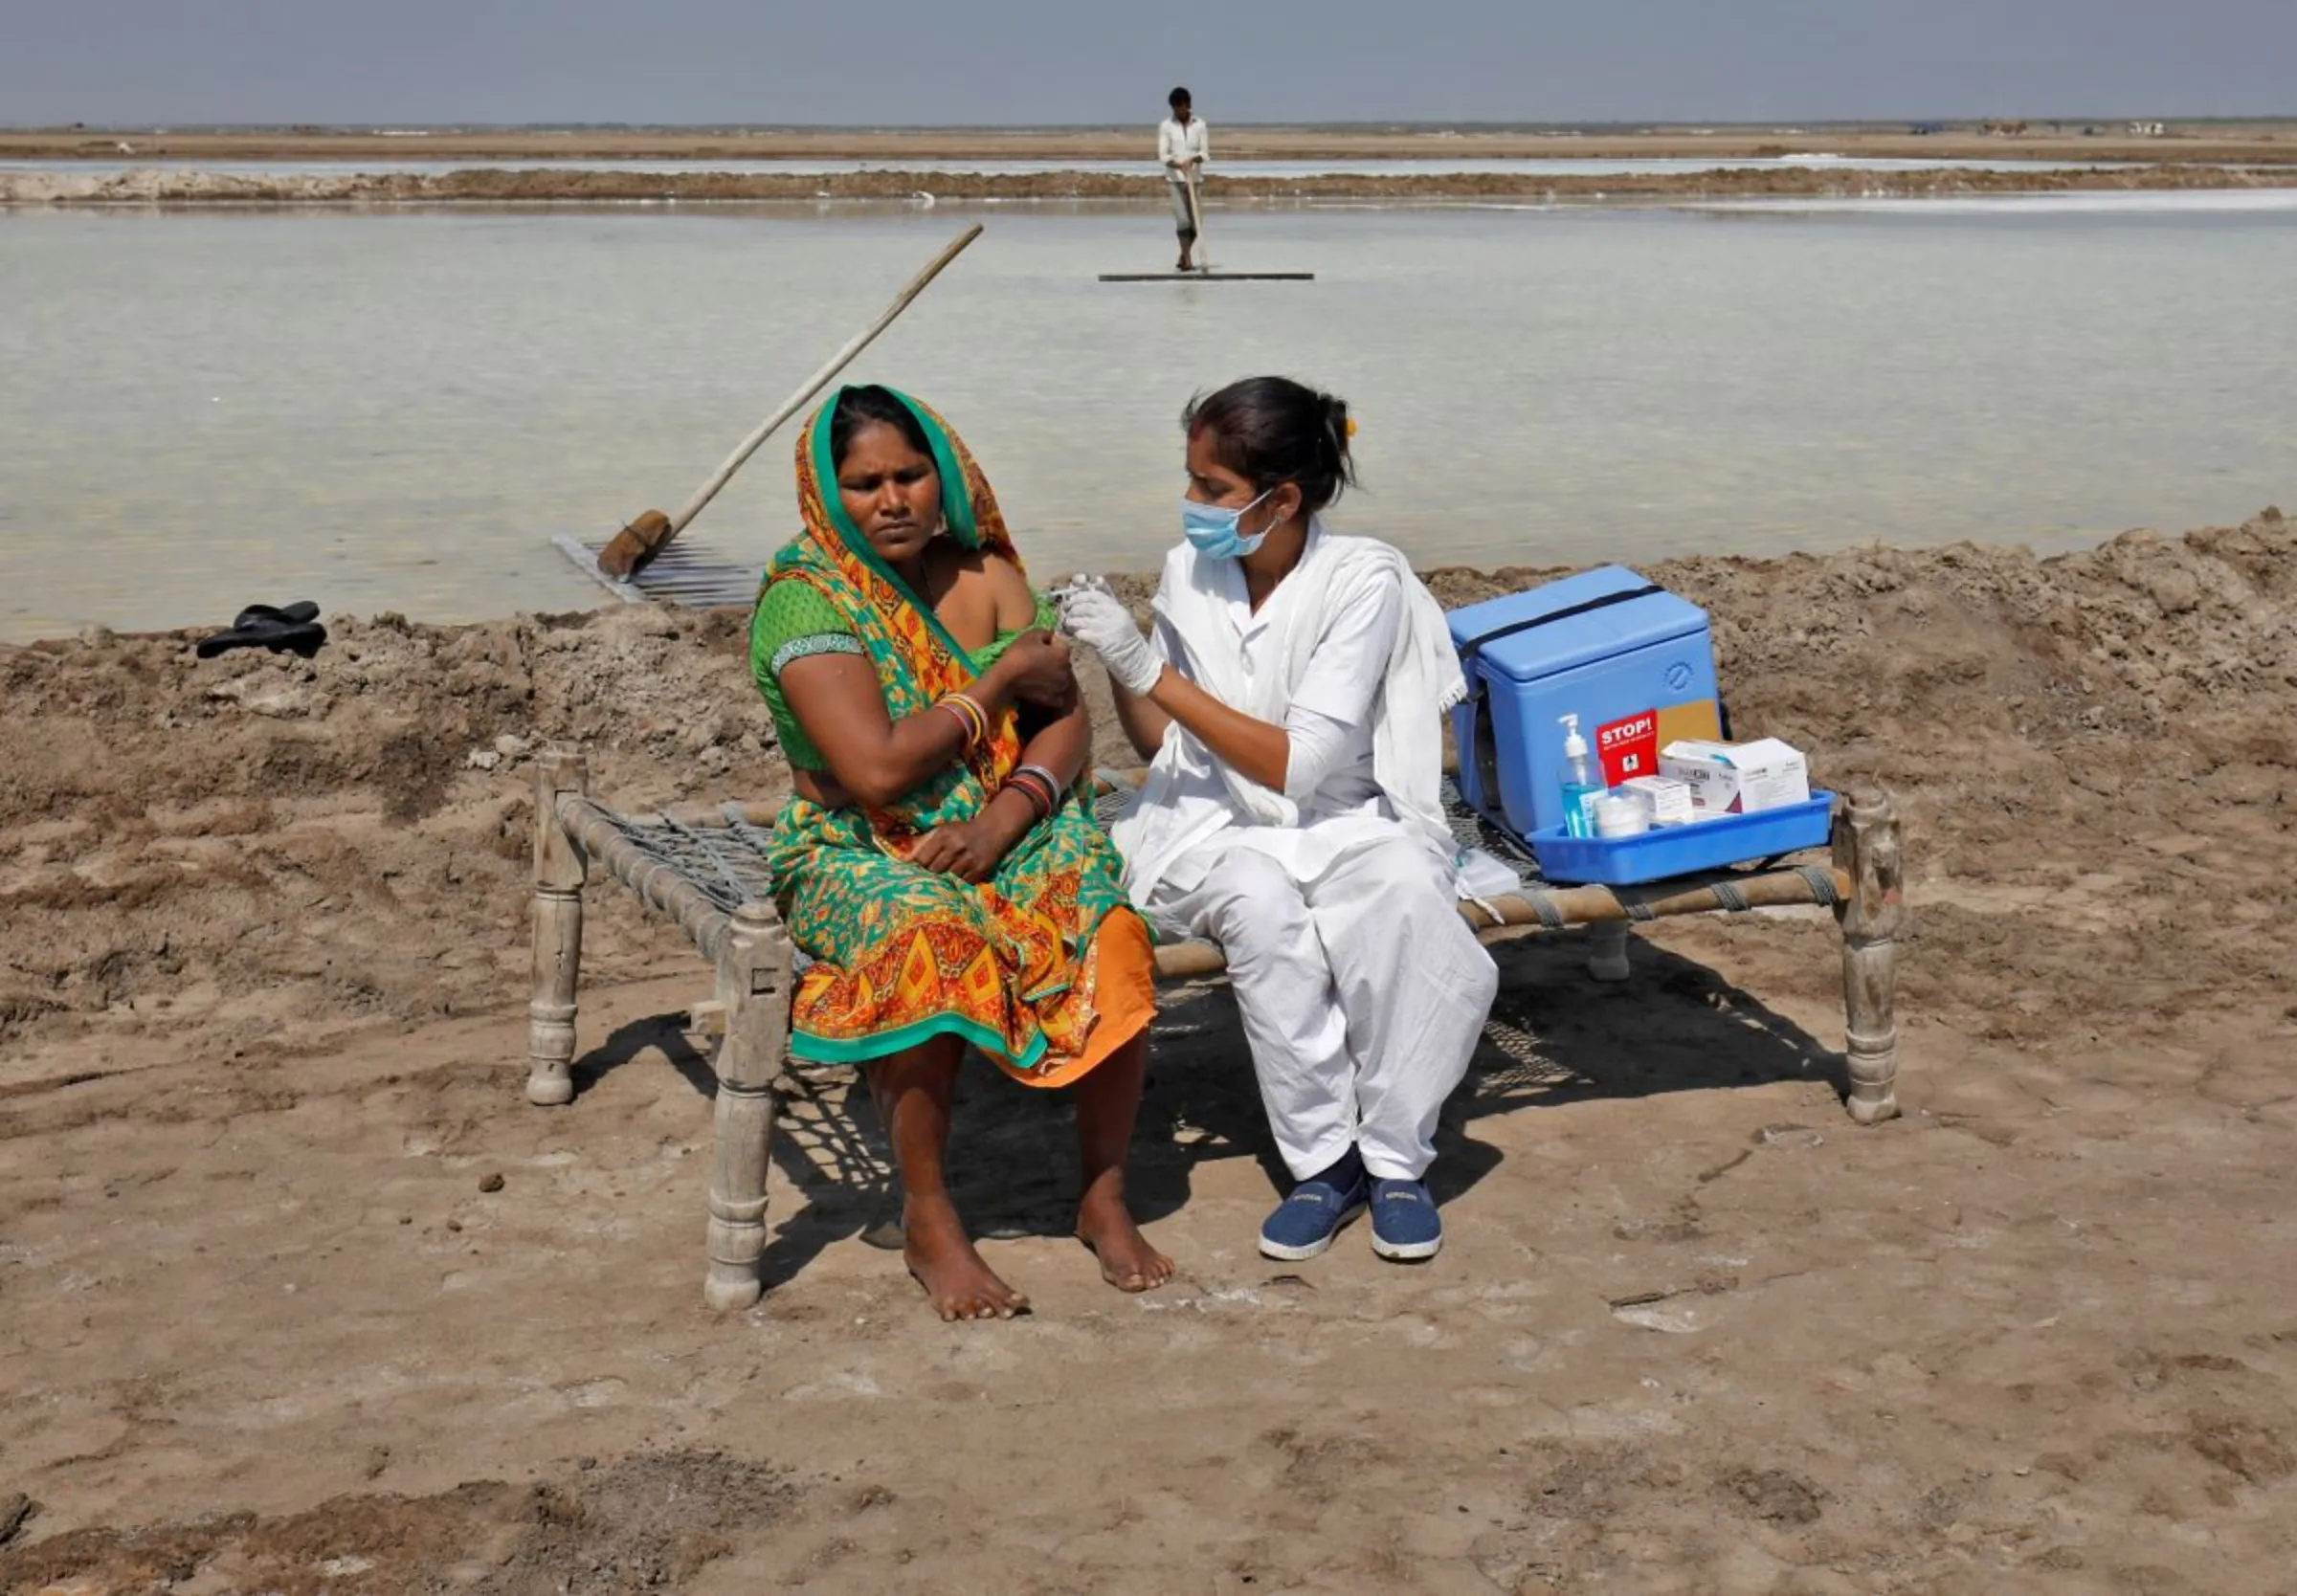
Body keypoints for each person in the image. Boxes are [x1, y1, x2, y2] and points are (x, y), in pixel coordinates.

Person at [751, 383, 1174, 1320]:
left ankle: (1103, 1197)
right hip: (854, 845)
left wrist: (1005, 819)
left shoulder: (983, 577)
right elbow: (875, 772)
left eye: (910, 475)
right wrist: (999, 680)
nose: (892, 500)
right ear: (828, 493)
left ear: (946, 477)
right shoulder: (804, 602)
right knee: (932, 941)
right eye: (864, 484)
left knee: (1107, 933)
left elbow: (1065, 724)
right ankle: (931, 1220)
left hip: (1003, 825)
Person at [1057, 376, 1501, 1263]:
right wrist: (1115, 659)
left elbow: (1301, 765)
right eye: (1189, 481)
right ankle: (1325, 1162)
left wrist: (1146, 667)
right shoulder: (1191, 571)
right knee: (1259, 906)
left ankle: (1398, 1157)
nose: (1192, 506)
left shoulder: (1363, 580)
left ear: (1283, 498)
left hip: (1339, 814)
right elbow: (1159, 746)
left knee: (1407, 897)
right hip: (1214, 820)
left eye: (1212, 489)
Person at [1157, 86, 1209, 271]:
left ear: (1187, 105)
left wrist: (1193, 160)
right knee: (1183, 221)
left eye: (1180, 106)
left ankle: (1182, 255)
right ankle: (1187, 260)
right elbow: (1163, 155)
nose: (1178, 111)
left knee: (1196, 224)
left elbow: (1204, 153)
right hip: (1175, 180)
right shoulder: (1166, 126)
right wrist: (1178, 164)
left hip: (1194, 179)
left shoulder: (1199, 124)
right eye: (1174, 107)